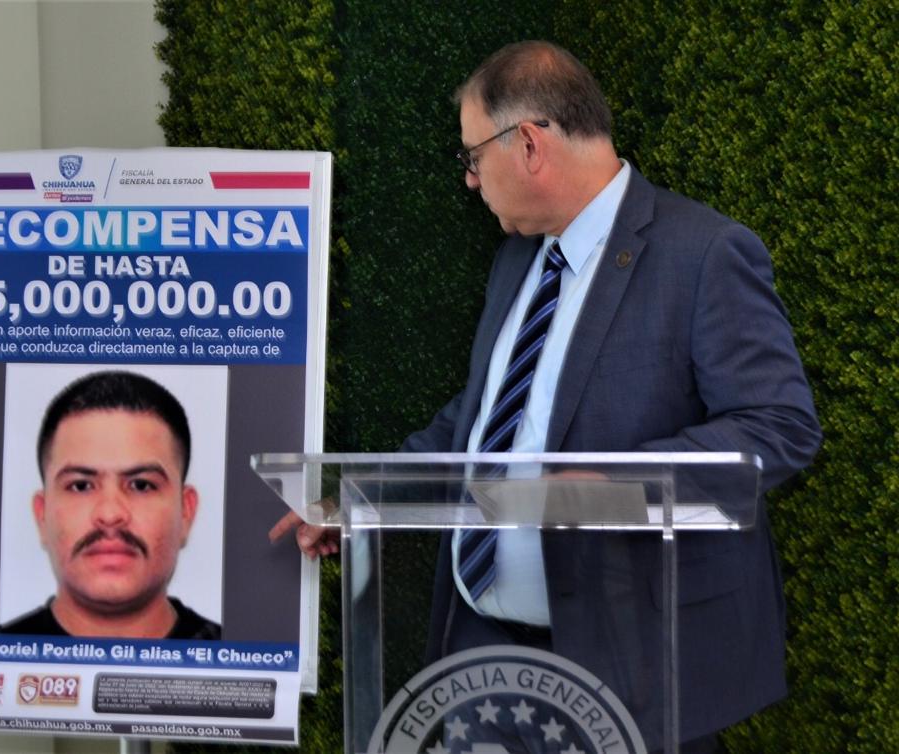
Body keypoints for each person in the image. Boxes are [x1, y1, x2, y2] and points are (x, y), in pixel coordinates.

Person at [272, 41, 820, 750]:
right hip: (481, 653)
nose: (470, 179)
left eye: (473, 156)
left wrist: (619, 488)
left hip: (628, 660)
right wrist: (361, 494)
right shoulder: (519, 257)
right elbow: (483, 415)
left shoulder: (705, 254)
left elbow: (779, 426)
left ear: (529, 143)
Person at [1, 370, 221, 640]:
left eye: (141, 485)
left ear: (186, 511)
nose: (110, 514)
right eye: (81, 486)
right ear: (41, 515)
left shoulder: (248, 654)